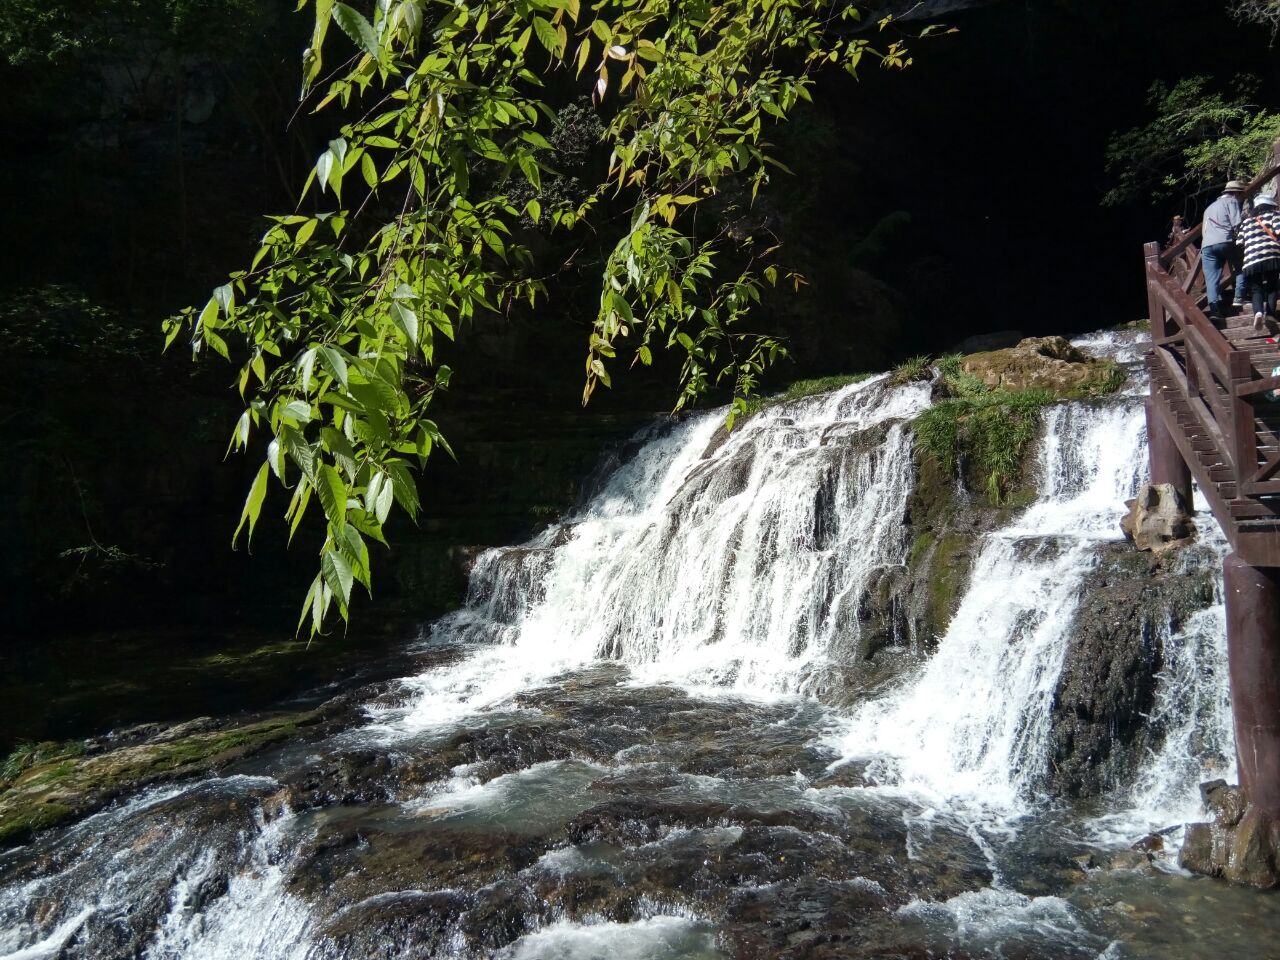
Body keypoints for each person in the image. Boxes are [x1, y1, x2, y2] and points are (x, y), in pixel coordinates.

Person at [1202, 179, 1248, 319]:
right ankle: (1239, 297)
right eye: (1240, 194)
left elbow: (1204, 230)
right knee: (1242, 266)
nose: (1240, 197)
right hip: (1225, 240)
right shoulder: (1232, 201)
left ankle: (1215, 310)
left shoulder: (1209, 208)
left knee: (1211, 279)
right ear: (1235, 193)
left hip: (1207, 245)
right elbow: (1237, 223)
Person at [1236, 194, 1280, 331]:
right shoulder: (1274, 215)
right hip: (1271, 256)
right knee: (1272, 286)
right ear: (1271, 205)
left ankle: (1258, 312)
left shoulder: (1246, 222)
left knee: (1256, 289)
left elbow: (1239, 242)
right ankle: (1271, 315)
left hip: (1251, 260)